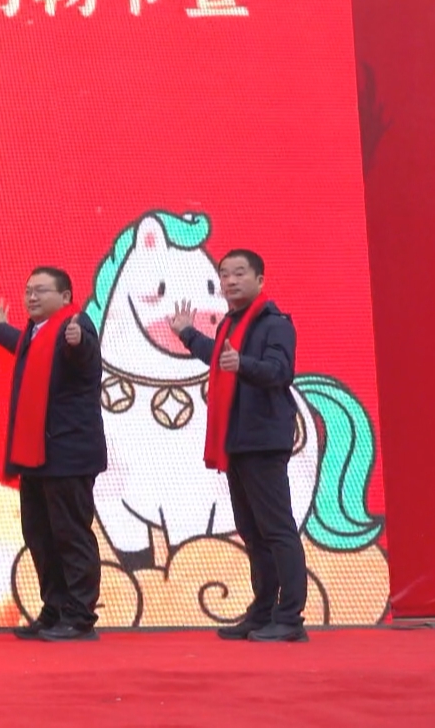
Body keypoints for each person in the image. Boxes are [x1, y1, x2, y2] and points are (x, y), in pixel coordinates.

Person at [169, 249, 306, 643]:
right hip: (238, 440)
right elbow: (220, 360)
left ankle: (290, 617)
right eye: (224, 274)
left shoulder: (275, 324)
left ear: (260, 280)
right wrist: (187, 334)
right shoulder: (231, 324)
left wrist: (242, 364)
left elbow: (280, 371)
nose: (230, 281)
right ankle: (262, 612)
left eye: (239, 273)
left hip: (263, 440)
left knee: (277, 530)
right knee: (252, 531)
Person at [0, 266, 104, 642]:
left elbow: (82, 355)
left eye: (41, 290)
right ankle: (54, 609)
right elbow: (26, 347)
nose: (32, 297)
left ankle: (80, 616)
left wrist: (78, 342)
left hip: (67, 453)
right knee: (39, 534)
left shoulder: (75, 326)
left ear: (65, 297)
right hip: (35, 452)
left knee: (70, 534)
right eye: (28, 291)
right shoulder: (36, 333)